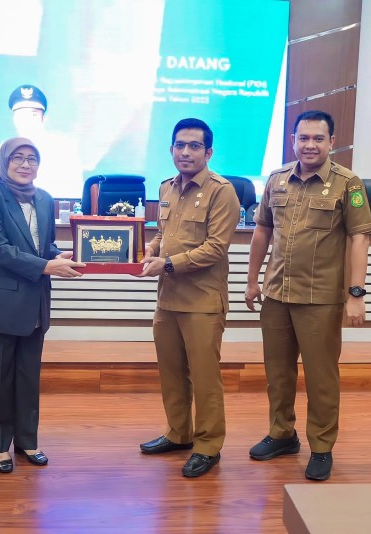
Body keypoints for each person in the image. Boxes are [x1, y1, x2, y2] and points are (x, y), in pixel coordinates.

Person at [245, 110, 371, 481]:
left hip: (320, 298)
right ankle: (282, 434)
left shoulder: (348, 183)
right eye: (303, 138)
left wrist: (356, 293)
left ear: (332, 142)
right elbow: (262, 232)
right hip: (277, 295)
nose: (310, 145)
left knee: (321, 377)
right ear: (293, 141)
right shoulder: (277, 179)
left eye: (318, 138)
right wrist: (252, 281)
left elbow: (359, 238)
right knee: (278, 373)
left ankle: (321, 447)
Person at [0, 137, 85, 474]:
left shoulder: (46, 198)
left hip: (35, 302)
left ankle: (26, 440)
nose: (25, 164)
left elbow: (43, 244)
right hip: (1, 302)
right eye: (18, 158)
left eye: (32, 159)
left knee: (27, 376)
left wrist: (56, 255)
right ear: (4, 161)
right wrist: (46, 266)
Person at [137, 118, 240, 478]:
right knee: (171, 374)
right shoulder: (166, 187)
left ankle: (208, 445)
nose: (185, 152)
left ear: (208, 152)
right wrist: (148, 249)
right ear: (170, 149)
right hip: (167, 300)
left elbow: (215, 248)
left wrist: (166, 263)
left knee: (204, 378)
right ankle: (179, 433)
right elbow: (163, 233)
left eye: (194, 146)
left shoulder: (221, 191)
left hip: (202, 302)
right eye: (180, 145)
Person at [9, 84, 83, 198]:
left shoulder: (64, 149)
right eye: (21, 115)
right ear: (14, 119)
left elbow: (73, 191)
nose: (27, 121)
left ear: (44, 119)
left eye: (33, 115)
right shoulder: (3, 151)